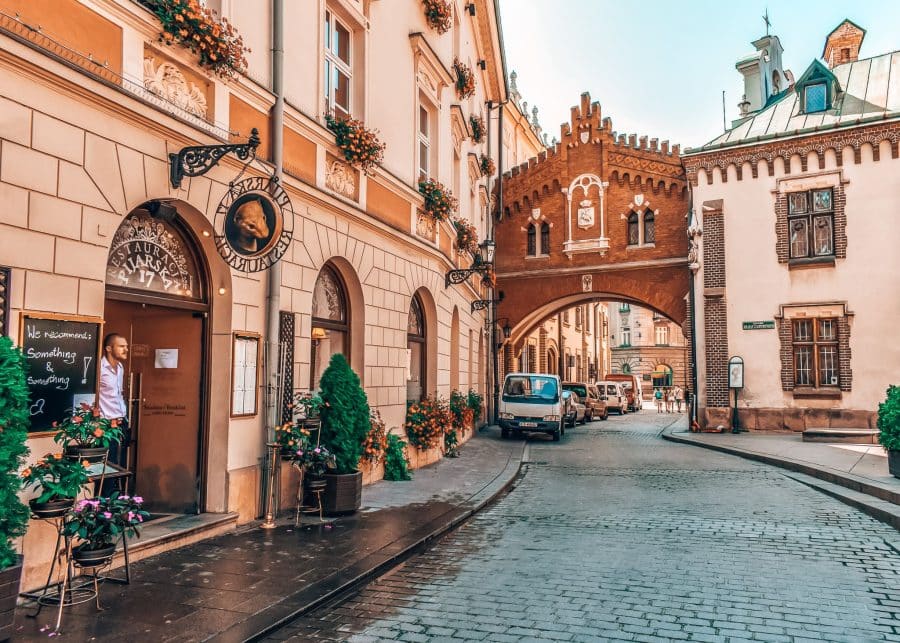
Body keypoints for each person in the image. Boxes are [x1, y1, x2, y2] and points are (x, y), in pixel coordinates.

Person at [99, 332, 130, 468]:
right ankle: (107, 490)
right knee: (108, 462)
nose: (126, 350)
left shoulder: (120, 367)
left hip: (121, 420)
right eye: (121, 346)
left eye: (126, 346)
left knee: (121, 461)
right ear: (109, 348)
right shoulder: (99, 368)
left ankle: (119, 489)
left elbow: (118, 394)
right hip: (105, 423)